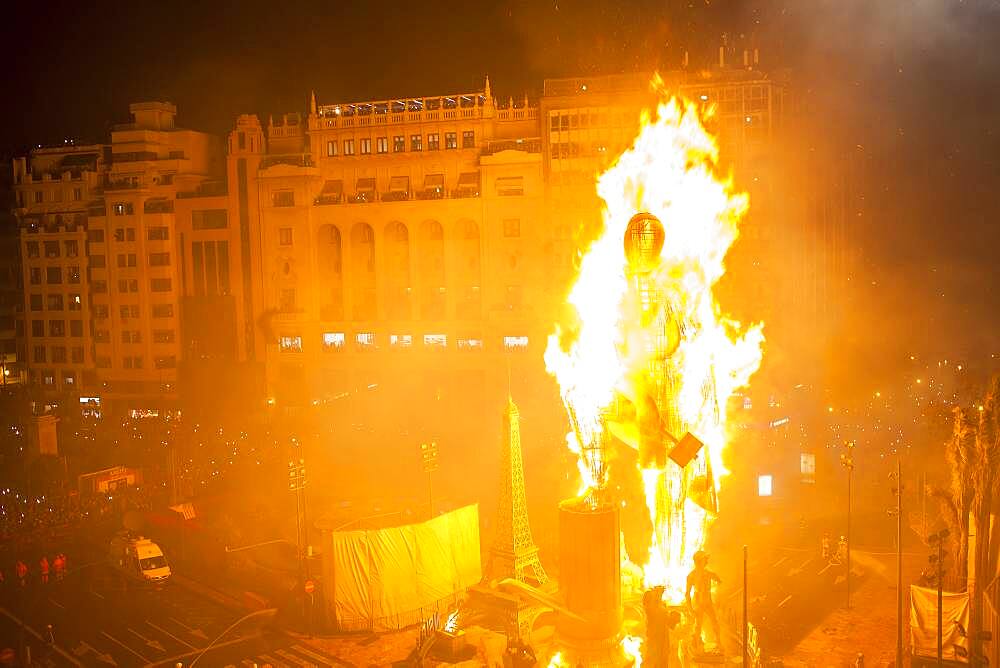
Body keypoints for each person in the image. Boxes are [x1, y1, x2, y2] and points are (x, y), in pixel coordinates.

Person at [685, 550, 721, 651]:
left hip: (708, 601)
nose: (707, 561)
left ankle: (719, 642)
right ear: (699, 561)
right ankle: (696, 643)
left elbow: (717, 579)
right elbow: (687, 594)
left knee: (715, 622)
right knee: (698, 625)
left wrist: (718, 582)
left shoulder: (708, 573)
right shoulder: (691, 576)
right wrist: (690, 609)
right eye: (705, 559)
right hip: (699, 602)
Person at [643, 585, 681, 667]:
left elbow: (670, 624)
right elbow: (654, 609)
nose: (658, 596)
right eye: (654, 596)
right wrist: (658, 594)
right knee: (654, 663)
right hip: (655, 642)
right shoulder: (650, 609)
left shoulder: (660, 607)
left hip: (663, 642)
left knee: (663, 663)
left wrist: (674, 618)